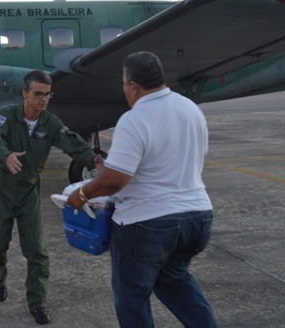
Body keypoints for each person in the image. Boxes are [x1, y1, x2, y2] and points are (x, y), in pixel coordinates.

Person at [67, 51, 216, 328]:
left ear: (133, 86)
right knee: (175, 281)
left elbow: (116, 181)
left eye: (124, 85)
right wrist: (110, 166)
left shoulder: (134, 118)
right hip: (197, 216)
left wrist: (83, 194)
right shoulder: (190, 109)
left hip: (148, 223)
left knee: (132, 299)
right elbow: (175, 159)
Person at [0, 70, 101, 325]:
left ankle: (37, 303)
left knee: (37, 252)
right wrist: (6, 155)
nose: (43, 100)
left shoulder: (51, 123)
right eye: (38, 94)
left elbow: (73, 144)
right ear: (25, 93)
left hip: (28, 193)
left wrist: (94, 160)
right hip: (1, 192)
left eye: (47, 95)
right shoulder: (5, 115)